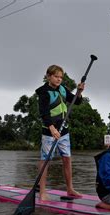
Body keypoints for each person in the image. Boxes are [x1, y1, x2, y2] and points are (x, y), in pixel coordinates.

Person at [35, 64, 85, 201]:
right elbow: (44, 113)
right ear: (48, 76)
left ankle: (70, 189)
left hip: (64, 131)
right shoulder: (44, 92)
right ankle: (43, 192)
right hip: (49, 131)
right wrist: (51, 128)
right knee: (45, 160)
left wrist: (79, 91)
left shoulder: (62, 89)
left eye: (60, 77)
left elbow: (77, 101)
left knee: (67, 159)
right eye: (56, 76)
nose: (59, 79)